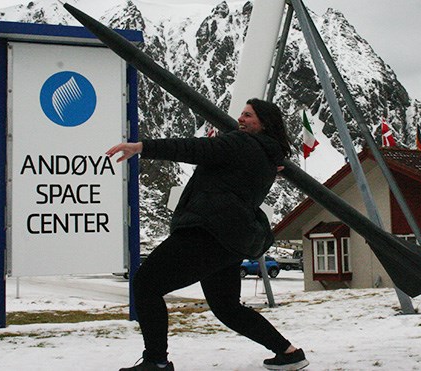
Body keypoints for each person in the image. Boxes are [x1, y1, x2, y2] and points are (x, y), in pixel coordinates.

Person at [106, 98, 309, 371]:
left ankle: (156, 361)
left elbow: (193, 148)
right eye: (242, 114)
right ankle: (289, 353)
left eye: (248, 116)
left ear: (263, 123)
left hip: (207, 231)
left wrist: (143, 146)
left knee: (146, 284)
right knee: (227, 307)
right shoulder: (269, 157)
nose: (241, 119)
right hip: (231, 240)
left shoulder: (240, 143)